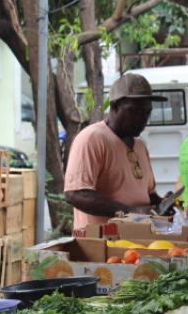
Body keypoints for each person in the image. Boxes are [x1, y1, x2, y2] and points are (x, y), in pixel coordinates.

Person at [64, 73, 167, 230]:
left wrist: (162, 204)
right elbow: (75, 194)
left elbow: (148, 194)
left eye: (147, 112)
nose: (143, 118)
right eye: (135, 111)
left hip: (136, 241)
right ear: (115, 107)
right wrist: (129, 212)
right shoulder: (92, 138)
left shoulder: (140, 145)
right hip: (102, 243)